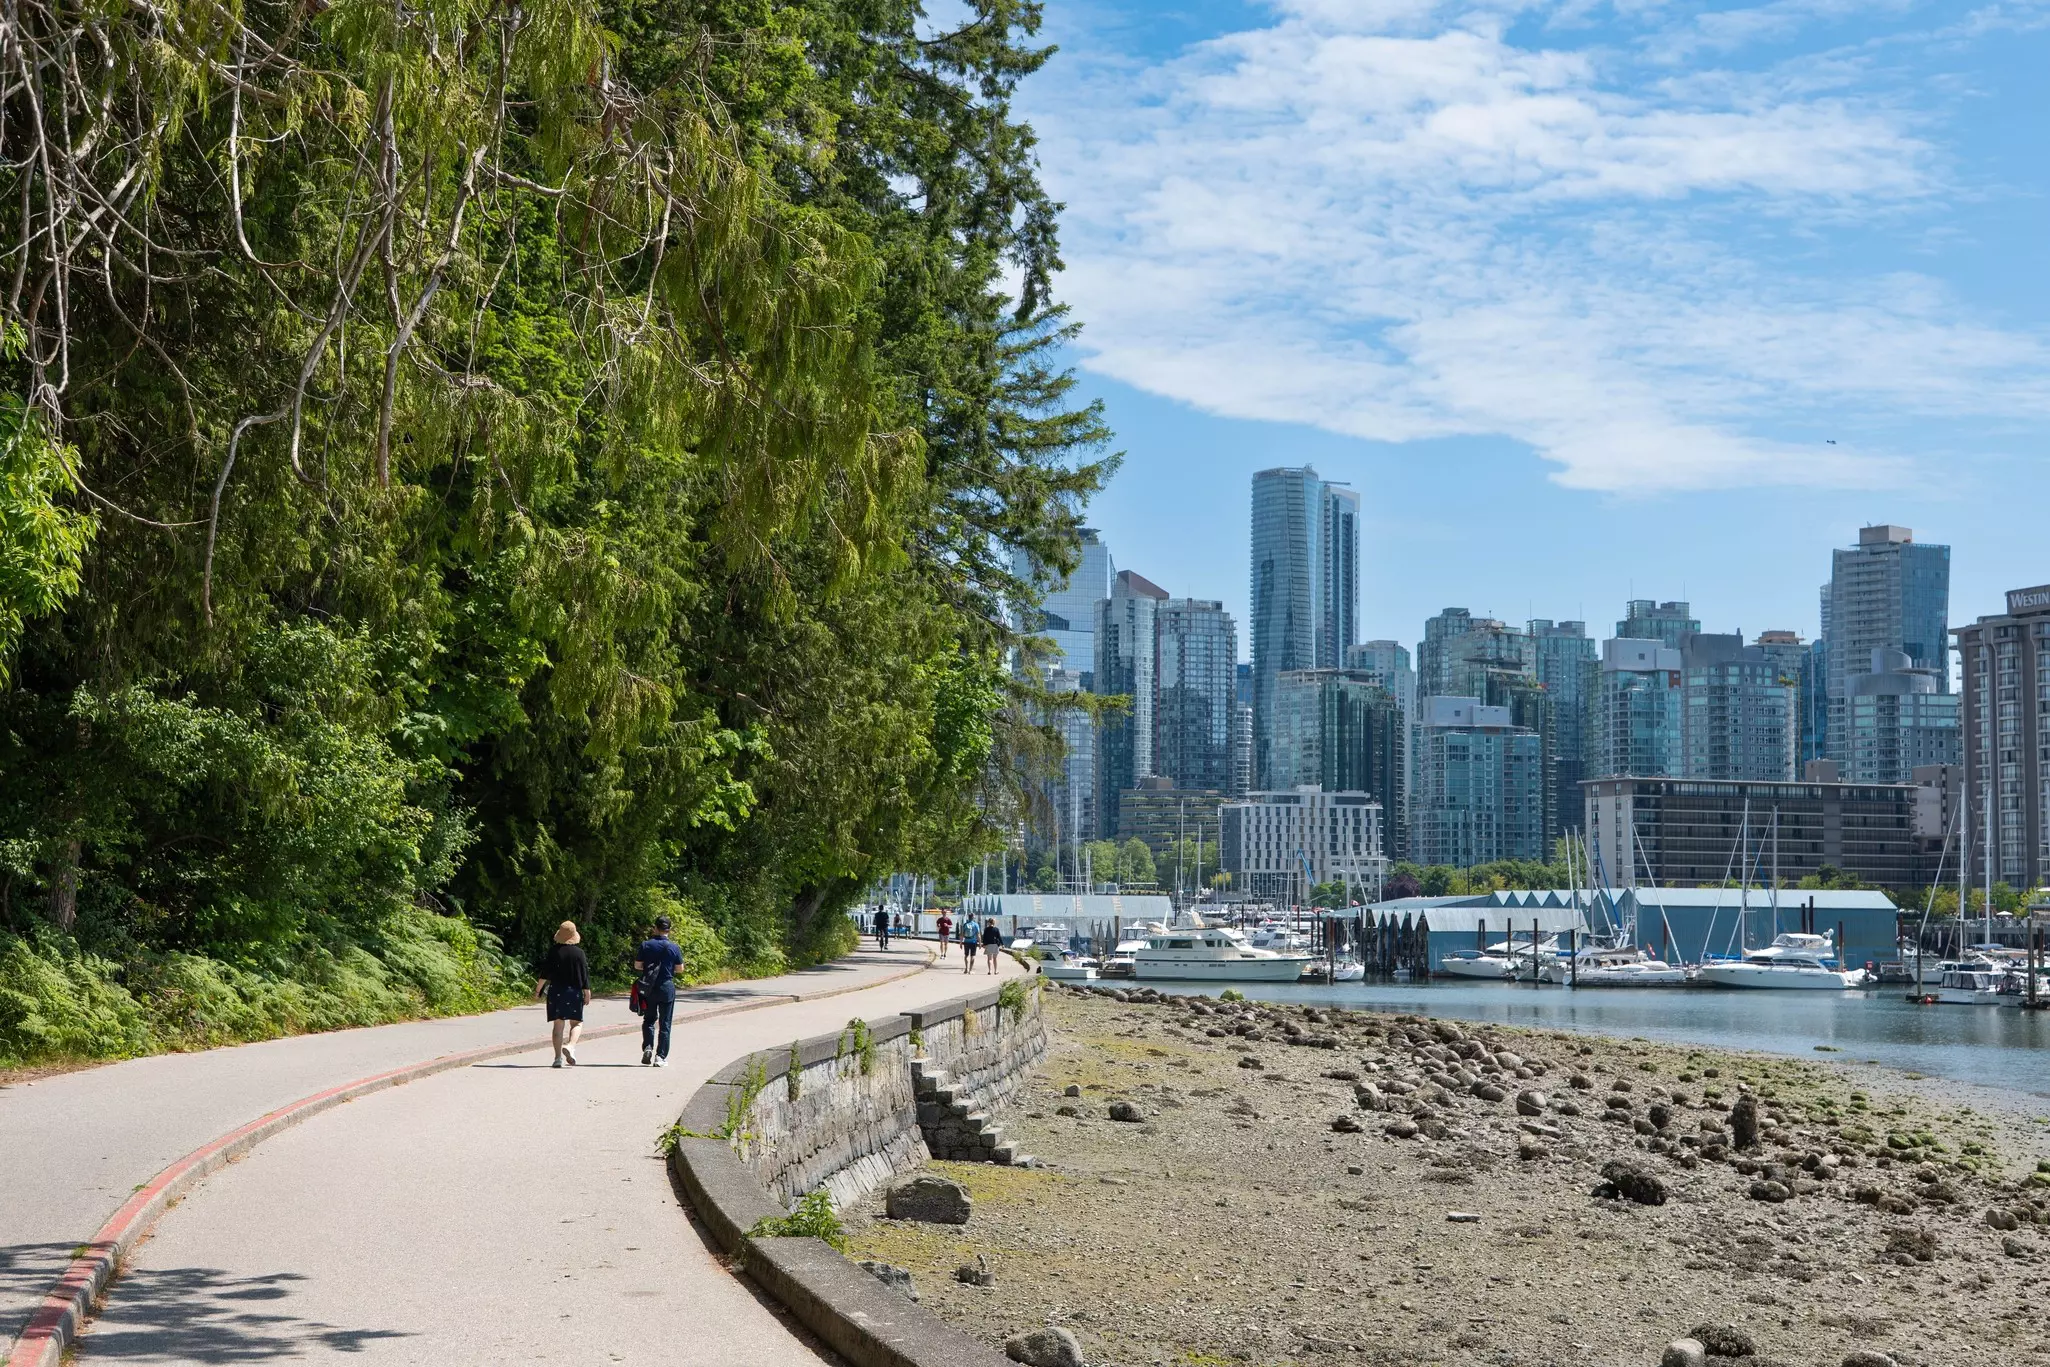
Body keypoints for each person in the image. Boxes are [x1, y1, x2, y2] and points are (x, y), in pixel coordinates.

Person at [536, 921, 591, 1068]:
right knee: (577, 1022)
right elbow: (584, 975)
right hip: (574, 991)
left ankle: (557, 1058)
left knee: (558, 1025)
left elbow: (545, 973)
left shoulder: (553, 951)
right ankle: (571, 1046)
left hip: (556, 992)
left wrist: (538, 990)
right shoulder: (580, 953)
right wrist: (587, 992)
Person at [634, 916, 685, 1067]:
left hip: (648, 987)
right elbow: (680, 969)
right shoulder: (673, 947)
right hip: (666, 987)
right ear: (669, 930)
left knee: (649, 1019)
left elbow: (637, 965)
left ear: (655, 928)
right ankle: (660, 1056)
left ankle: (648, 1047)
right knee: (665, 1023)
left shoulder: (646, 945)